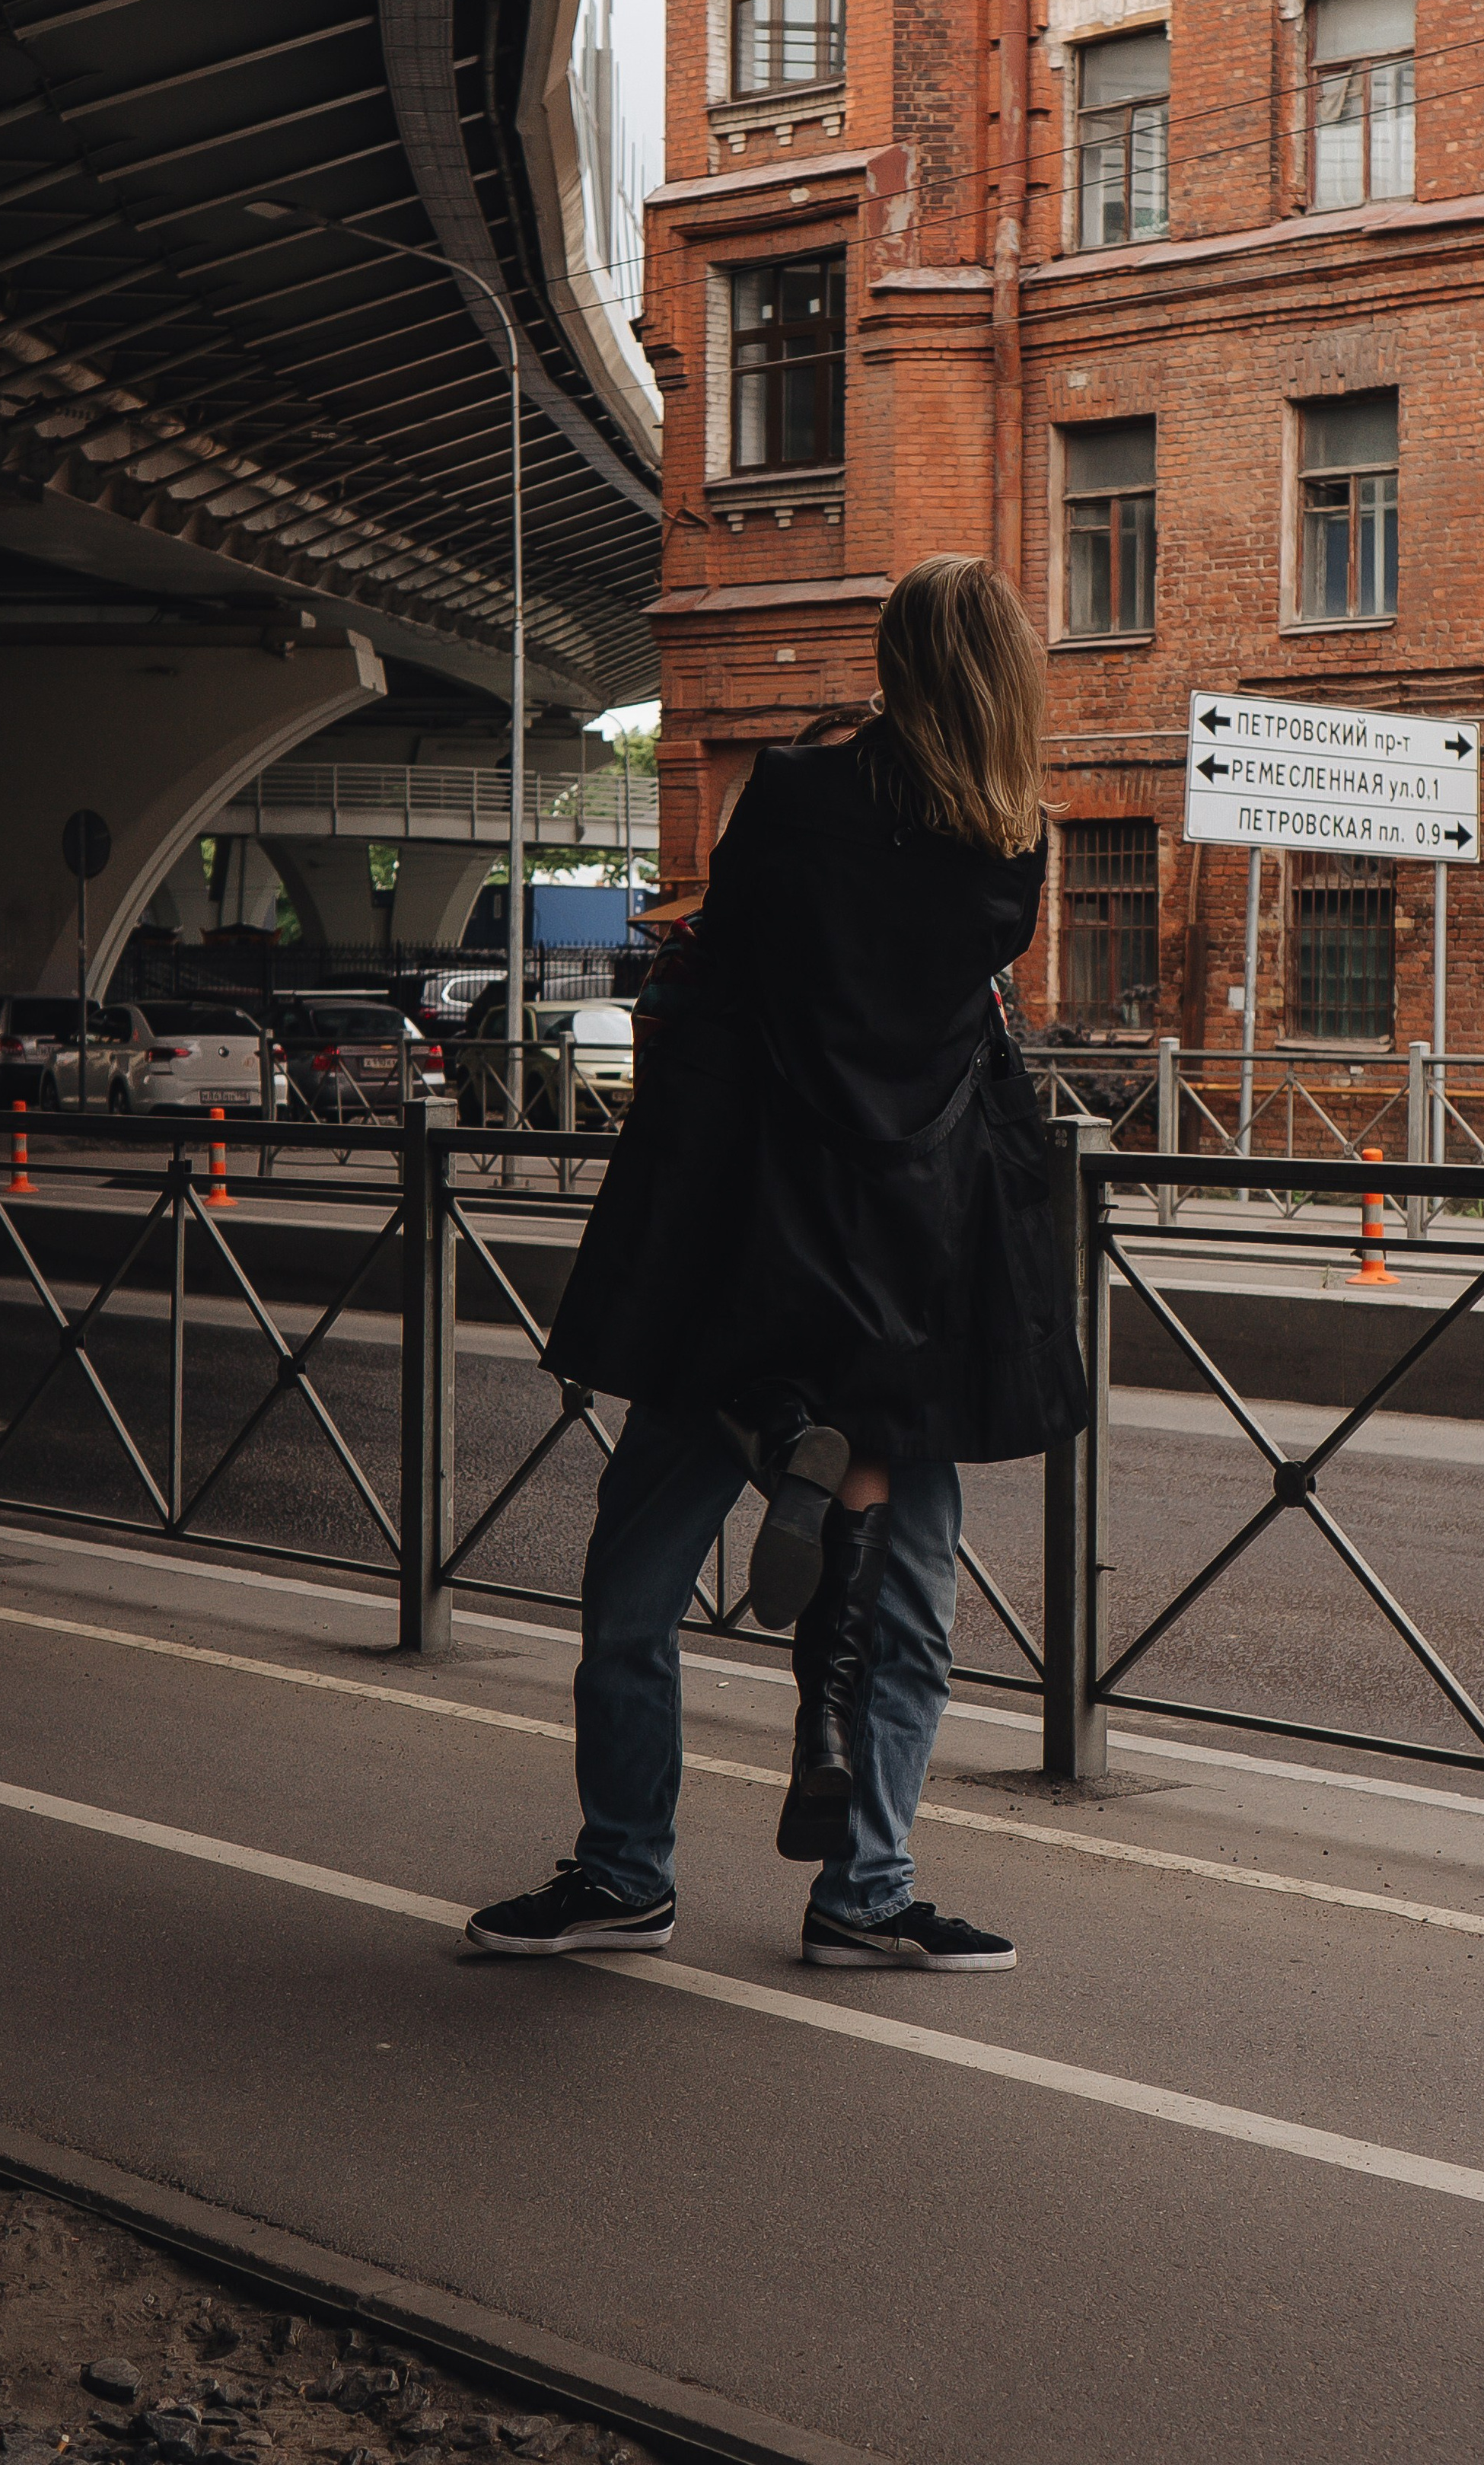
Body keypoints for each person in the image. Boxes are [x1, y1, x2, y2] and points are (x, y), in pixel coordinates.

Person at [467, 556, 1088, 1973]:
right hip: (918, 1258)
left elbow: (734, 955)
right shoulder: (1014, 839)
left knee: (637, 1580)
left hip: (743, 1238)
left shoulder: (806, 796)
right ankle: (867, 1890)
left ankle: (626, 1871)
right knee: (910, 1599)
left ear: (897, 656)